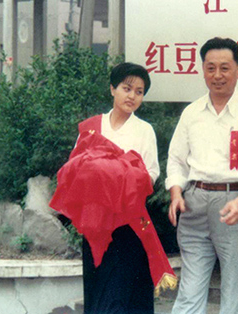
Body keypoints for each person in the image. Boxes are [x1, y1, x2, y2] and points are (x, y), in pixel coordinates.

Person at [50, 62, 175, 314]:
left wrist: (122, 177)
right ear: (112, 89)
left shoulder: (144, 130)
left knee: (125, 294)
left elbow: (151, 174)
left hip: (128, 225)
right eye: (126, 88)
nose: (132, 96)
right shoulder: (91, 127)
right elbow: (75, 170)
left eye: (139, 92)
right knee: (98, 291)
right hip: (96, 224)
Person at [166, 37, 238, 314]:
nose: (217, 75)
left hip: (236, 204)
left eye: (225, 68)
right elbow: (176, 160)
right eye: (210, 68)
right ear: (202, 70)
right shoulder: (191, 113)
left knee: (236, 290)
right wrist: (176, 192)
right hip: (194, 204)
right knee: (189, 289)